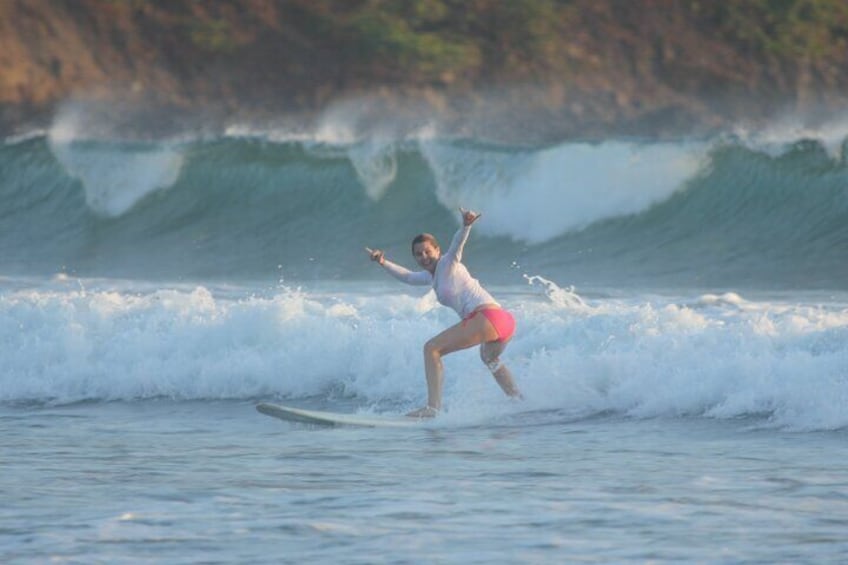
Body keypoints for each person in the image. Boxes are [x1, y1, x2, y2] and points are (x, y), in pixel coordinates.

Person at [367, 208, 521, 418]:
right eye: (418, 254)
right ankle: (519, 401)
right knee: (489, 359)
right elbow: (408, 277)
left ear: (437, 251)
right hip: (503, 321)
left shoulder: (449, 263)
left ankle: (433, 408)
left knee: (431, 349)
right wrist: (383, 262)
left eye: (428, 252)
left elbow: (457, 245)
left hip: (487, 317)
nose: (424, 257)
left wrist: (466, 226)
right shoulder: (431, 277)